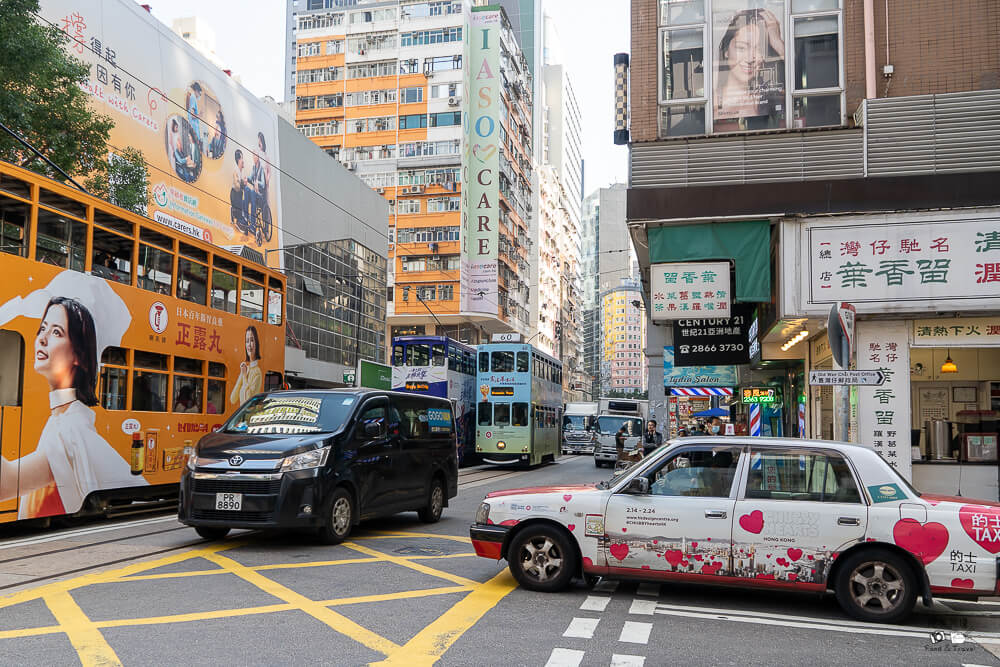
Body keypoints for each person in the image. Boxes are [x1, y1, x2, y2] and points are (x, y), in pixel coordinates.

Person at [0, 296, 143, 518]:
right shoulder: (62, 420)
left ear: (80, 356)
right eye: (43, 328)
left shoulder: (69, 431)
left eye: (56, 332)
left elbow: (7, 482)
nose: (42, 339)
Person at [714, 8, 785, 132]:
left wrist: (778, 43)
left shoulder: (773, 97)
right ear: (726, 51)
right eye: (741, 48)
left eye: (758, 50)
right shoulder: (712, 101)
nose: (749, 59)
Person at [230, 325, 263, 406]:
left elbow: (248, 398)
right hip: (242, 417)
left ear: (256, 343)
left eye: (252, 340)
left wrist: (244, 376)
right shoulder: (246, 369)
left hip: (250, 416)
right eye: (247, 341)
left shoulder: (257, 372)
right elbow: (233, 398)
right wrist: (242, 375)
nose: (249, 345)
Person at [231, 149, 249, 230]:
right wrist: (243, 183)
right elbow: (237, 186)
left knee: (243, 205)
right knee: (239, 212)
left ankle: (239, 217)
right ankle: (238, 221)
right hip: (235, 194)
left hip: (239, 194)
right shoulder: (235, 171)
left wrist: (244, 182)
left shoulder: (241, 171)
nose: (243, 160)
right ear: (238, 160)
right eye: (242, 158)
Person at [187, 82, 203, 151]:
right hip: (193, 127)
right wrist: (200, 115)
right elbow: (192, 115)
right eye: (200, 94)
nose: (200, 95)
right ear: (196, 91)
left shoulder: (192, 98)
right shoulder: (193, 98)